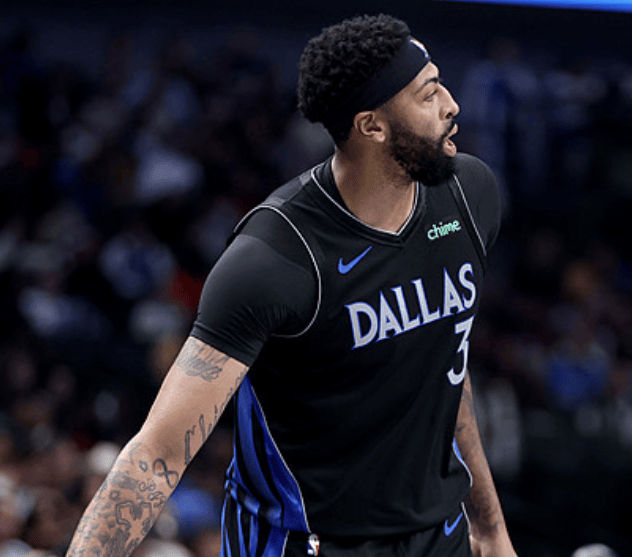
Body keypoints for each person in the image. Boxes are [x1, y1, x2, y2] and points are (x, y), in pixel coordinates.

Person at [66, 14, 516, 557]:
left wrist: (490, 527)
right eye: (429, 94)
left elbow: (447, 371)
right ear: (371, 126)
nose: (452, 105)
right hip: (305, 541)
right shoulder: (274, 257)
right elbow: (157, 454)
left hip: (437, 535)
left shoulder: (470, 194)